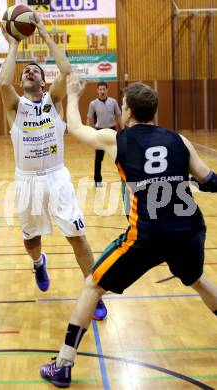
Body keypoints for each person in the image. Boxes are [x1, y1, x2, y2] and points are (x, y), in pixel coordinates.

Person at [40, 73, 217, 387]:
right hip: (190, 228)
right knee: (195, 278)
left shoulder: (115, 138)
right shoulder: (179, 140)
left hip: (148, 235)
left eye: (122, 106)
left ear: (129, 113)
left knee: (93, 284)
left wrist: (72, 95)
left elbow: (77, 129)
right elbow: (209, 180)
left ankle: (64, 365)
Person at [0, 14, 107, 321]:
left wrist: (44, 33)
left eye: (36, 70)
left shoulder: (54, 100)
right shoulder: (14, 106)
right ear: (22, 82)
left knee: (77, 236)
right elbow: (4, 81)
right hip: (27, 181)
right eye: (26, 72)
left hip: (57, 177)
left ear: (44, 82)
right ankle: (38, 263)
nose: (30, 72)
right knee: (31, 241)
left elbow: (67, 70)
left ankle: (94, 291)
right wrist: (13, 46)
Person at [86, 81, 121, 187]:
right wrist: (88, 133)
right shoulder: (93, 104)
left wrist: (123, 130)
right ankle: (97, 181)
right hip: (99, 132)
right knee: (98, 158)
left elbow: (119, 117)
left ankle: (124, 178)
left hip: (111, 131)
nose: (102, 91)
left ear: (107, 90)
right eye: (100, 89)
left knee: (119, 156)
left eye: (104, 89)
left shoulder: (113, 102)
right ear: (97, 90)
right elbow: (89, 119)